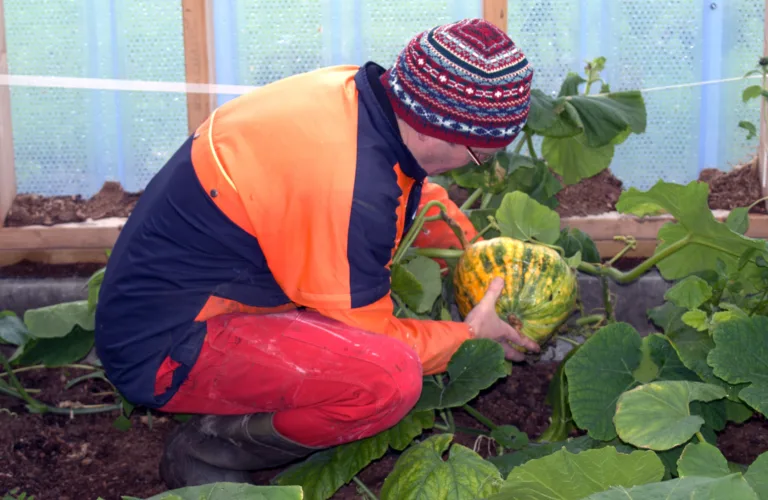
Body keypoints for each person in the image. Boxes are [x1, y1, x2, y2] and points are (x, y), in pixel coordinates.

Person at [94, 17, 537, 489]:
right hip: (166, 349)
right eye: (479, 156)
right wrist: (468, 336)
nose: (477, 167)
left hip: (180, 294)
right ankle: (210, 448)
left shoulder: (356, 99)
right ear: (436, 130)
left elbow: (411, 189)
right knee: (387, 379)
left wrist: (479, 258)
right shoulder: (348, 185)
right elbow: (370, 337)